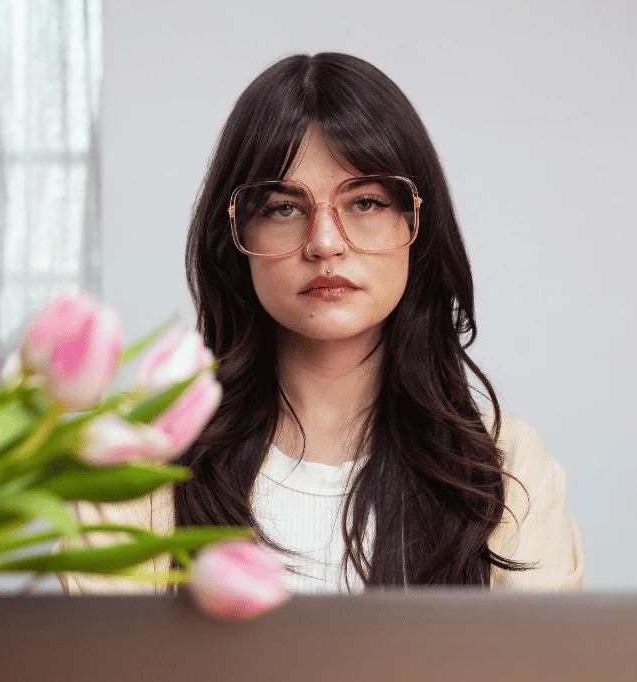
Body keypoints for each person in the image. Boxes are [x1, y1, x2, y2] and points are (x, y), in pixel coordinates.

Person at [60, 52, 584, 596]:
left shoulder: (509, 465)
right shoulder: (135, 466)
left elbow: (541, 679)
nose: (325, 243)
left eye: (366, 201)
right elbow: (110, 679)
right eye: (284, 208)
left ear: (417, 225)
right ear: (237, 237)